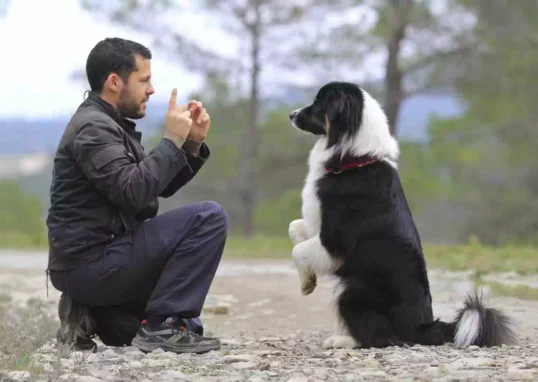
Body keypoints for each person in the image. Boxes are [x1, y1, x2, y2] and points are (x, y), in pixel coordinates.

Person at [46, 37, 228, 354]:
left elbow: (151, 187)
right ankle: (159, 327)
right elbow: (135, 192)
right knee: (208, 217)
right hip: (93, 262)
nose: (151, 89)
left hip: (102, 261)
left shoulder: (110, 124)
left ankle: (90, 311)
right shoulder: (93, 129)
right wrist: (172, 139)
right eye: (144, 80)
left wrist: (190, 145)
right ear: (115, 82)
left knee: (135, 330)